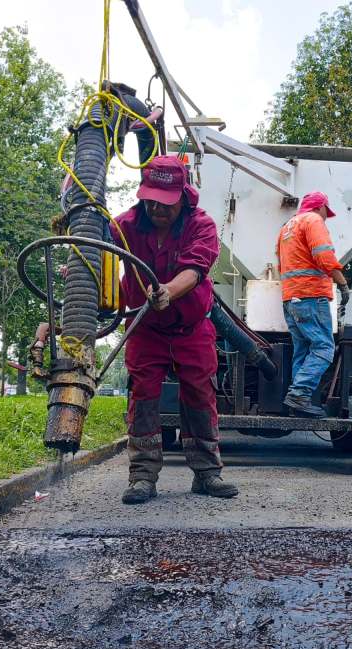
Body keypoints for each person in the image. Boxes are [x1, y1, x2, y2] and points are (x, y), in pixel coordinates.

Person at [113, 155, 238, 504]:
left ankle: (207, 473)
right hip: (145, 330)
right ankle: (142, 476)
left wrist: (169, 290)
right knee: (144, 399)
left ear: (184, 195)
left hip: (191, 328)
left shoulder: (202, 226)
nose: (156, 208)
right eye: (150, 199)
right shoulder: (124, 226)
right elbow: (97, 253)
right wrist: (79, 266)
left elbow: (196, 269)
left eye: (165, 203)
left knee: (200, 396)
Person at [276, 191, 350, 418]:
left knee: (303, 351)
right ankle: (299, 394)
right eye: (326, 212)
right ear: (320, 207)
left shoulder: (286, 228)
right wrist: (343, 284)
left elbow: (279, 263)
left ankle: (298, 403)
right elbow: (324, 256)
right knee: (324, 349)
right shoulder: (313, 220)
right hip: (311, 296)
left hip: (290, 298)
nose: (326, 217)